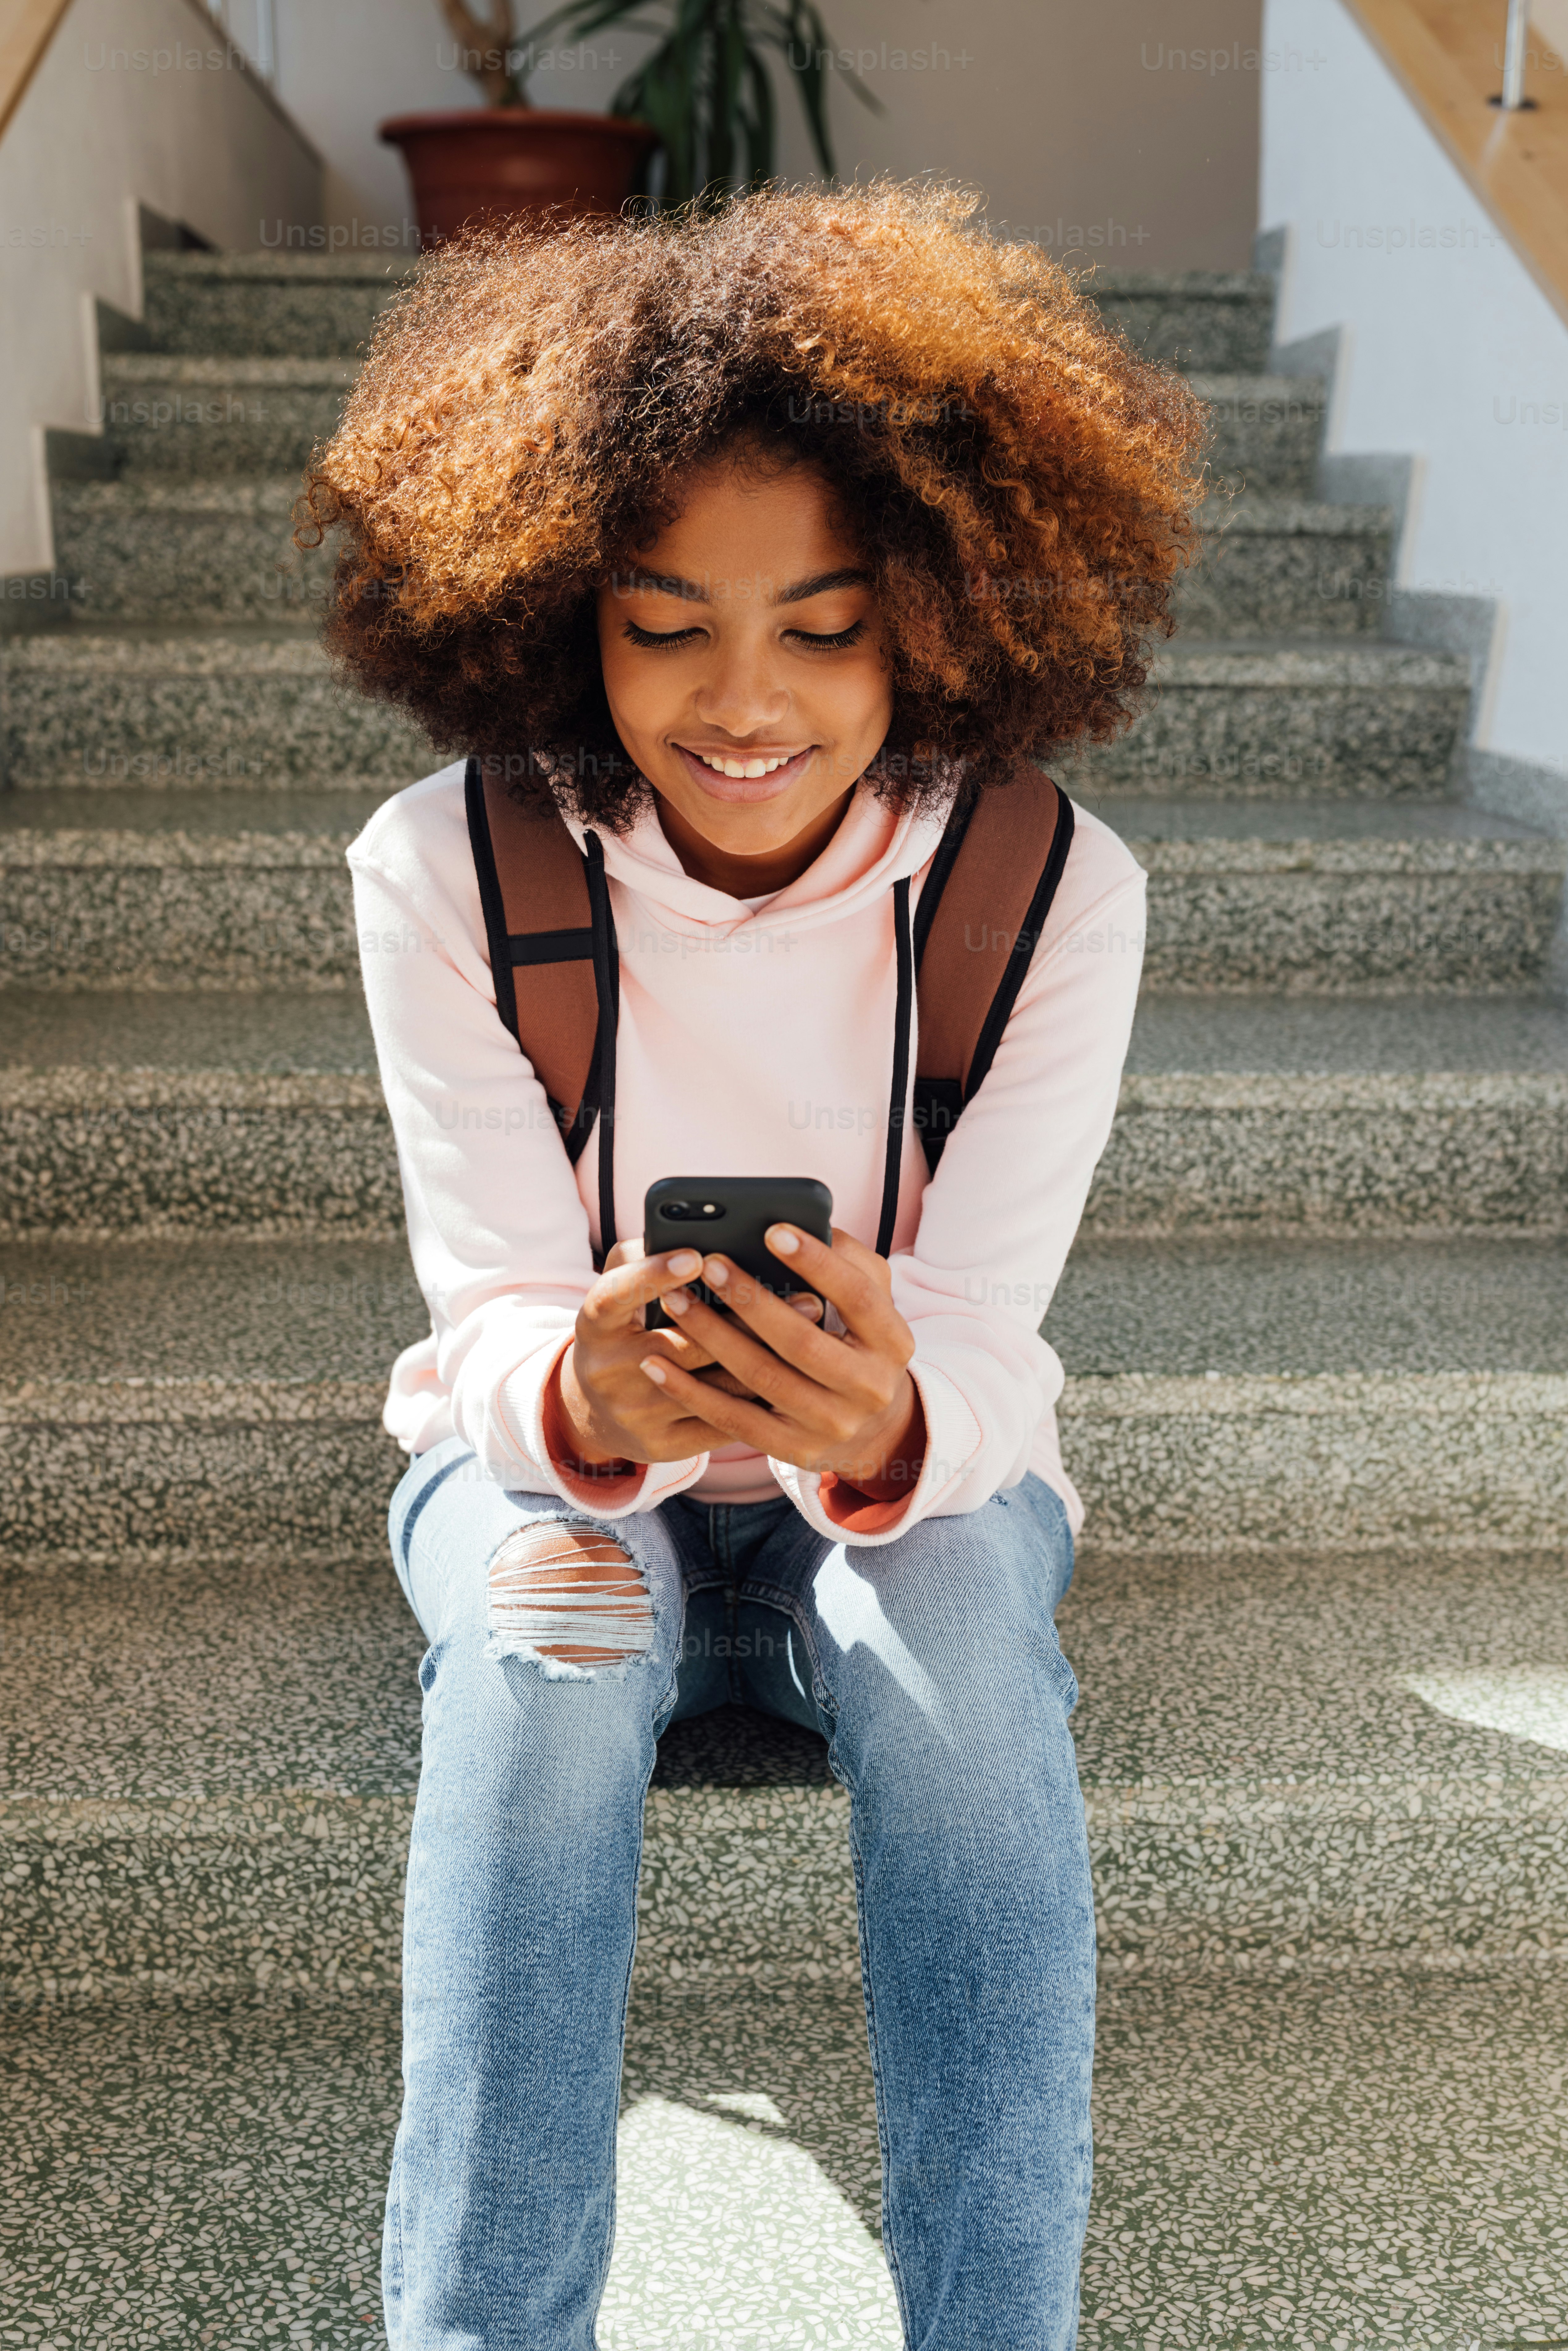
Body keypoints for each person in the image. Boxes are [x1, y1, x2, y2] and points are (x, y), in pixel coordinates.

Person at [306, 176, 1204, 2349]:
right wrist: (580, 1396)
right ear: (547, 611)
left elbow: (987, 1326)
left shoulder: (1043, 883)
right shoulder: (448, 860)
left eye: (823, 627)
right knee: (540, 1667)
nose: (739, 701)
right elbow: (492, 1297)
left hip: (894, 1502)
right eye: (659, 621)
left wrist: (894, 1416)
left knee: (959, 1661)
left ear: (938, 616)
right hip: (555, 1488)